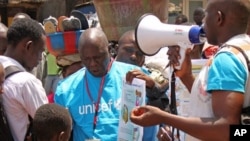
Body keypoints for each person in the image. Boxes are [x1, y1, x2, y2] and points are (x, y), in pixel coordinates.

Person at [130, 0, 250, 141]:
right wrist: (186, 77)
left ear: (219, 18)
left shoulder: (226, 58)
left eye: (206, 16)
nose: (202, 23)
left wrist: (163, 117)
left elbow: (226, 130)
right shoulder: (243, 49)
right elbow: (212, 103)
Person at [54, 28, 141, 141]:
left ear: (109, 50)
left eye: (98, 57)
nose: (93, 64)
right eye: (87, 59)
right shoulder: (66, 89)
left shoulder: (134, 76)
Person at [115, 30, 169, 141]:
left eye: (139, 53)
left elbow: (163, 113)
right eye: (128, 50)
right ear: (116, 50)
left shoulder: (152, 78)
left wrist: (151, 88)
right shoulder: (103, 76)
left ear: (144, 58)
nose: (134, 56)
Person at [0, 18, 48, 141]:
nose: (40, 59)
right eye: (40, 52)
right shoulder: (26, 82)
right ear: (29, 46)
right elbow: (48, 126)